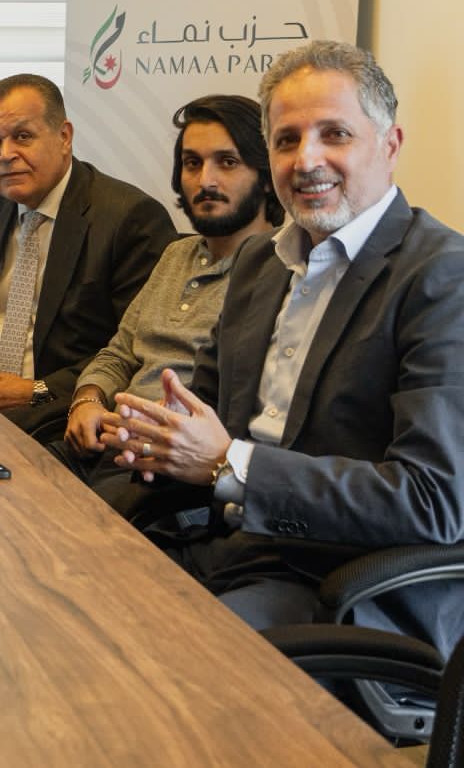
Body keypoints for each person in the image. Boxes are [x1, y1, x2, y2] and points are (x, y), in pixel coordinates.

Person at [100, 41, 464, 650]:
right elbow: (206, 417)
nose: (306, 160)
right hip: (231, 547)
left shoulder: (443, 276)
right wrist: (156, 441)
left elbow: (432, 502)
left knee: (155, 658)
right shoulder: (258, 264)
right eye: (287, 140)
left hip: (338, 585)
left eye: (334, 134)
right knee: (61, 587)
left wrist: (229, 464)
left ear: (390, 146)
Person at [61, 95, 280, 507]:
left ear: (267, 177)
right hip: (109, 442)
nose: (205, 180)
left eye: (227, 162)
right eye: (192, 163)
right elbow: (119, 352)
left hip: (176, 469)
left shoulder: (281, 269)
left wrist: (155, 427)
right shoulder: (176, 254)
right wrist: (87, 400)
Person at [0, 74, 177, 436]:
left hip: (63, 420)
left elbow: (136, 353)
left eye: (22, 136)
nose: (5, 155)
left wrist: (36, 390)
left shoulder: (129, 219)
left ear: (64, 136)